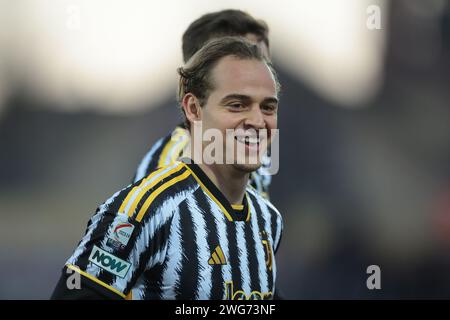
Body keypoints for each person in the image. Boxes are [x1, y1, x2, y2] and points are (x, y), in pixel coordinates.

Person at [51, 36, 283, 300]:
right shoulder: (144, 209)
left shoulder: (269, 220)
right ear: (194, 109)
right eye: (237, 105)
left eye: (267, 107)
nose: (256, 120)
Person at [133, 9, 272, 199]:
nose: (260, 73)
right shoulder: (166, 170)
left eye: (265, 63)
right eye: (244, 56)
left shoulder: (255, 152)